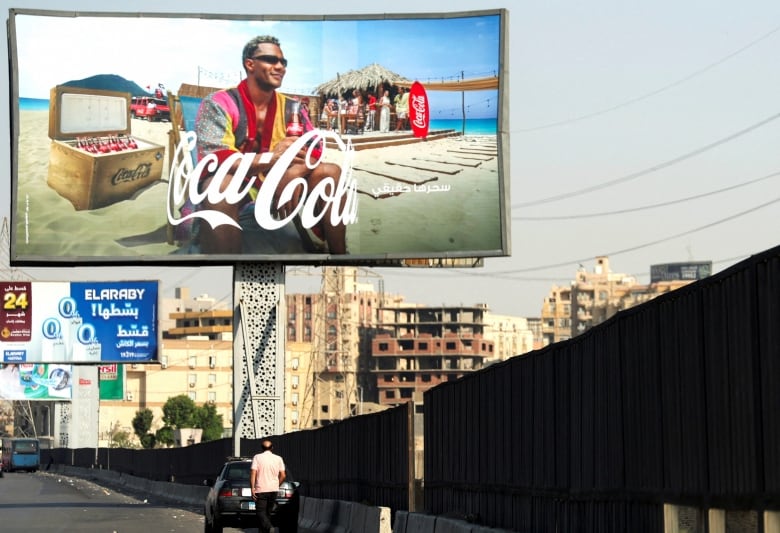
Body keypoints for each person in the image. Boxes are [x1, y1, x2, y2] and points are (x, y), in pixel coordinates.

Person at [193, 35, 347, 255]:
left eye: (283, 62)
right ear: (250, 64)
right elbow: (217, 155)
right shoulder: (219, 103)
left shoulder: (292, 107)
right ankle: (227, 270)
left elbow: (315, 146)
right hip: (241, 184)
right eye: (271, 60)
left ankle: (341, 260)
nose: (280, 67)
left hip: (282, 182)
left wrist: (293, 173)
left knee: (331, 172)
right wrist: (271, 159)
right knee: (220, 187)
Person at [250, 439, 286, 533]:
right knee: (267, 513)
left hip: (261, 490)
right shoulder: (278, 458)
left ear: (262, 448)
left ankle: (269, 527)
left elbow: (253, 473)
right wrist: (276, 485)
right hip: (273, 490)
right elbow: (283, 475)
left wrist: (252, 488)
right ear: (272, 448)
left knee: (260, 512)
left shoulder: (257, 457)